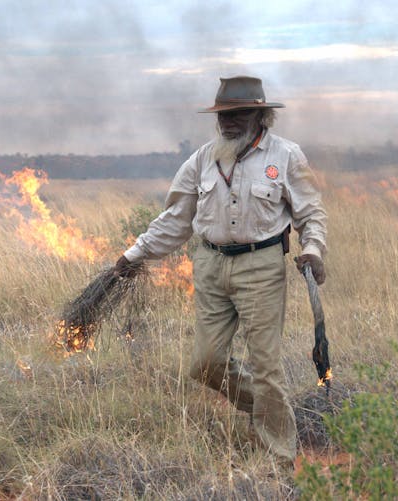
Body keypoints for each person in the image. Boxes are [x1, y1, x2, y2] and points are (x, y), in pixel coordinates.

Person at [114, 75, 327, 466]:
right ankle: (271, 414)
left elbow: (311, 213)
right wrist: (134, 256)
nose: (228, 122)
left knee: (266, 367)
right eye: (223, 115)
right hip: (210, 266)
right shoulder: (201, 160)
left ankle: (278, 463)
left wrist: (313, 249)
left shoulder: (286, 156)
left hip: (261, 266)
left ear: (261, 116)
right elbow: (175, 220)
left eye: (239, 114)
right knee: (205, 364)